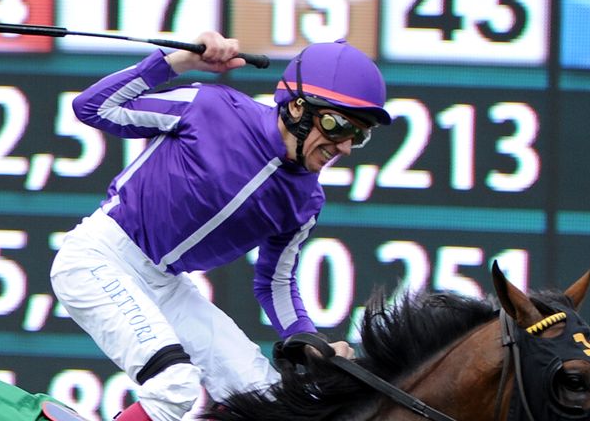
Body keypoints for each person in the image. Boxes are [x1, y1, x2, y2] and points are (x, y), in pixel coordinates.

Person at [50, 31, 391, 421]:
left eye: (357, 135)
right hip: (98, 257)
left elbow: (275, 283)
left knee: (264, 400)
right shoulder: (208, 107)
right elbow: (93, 107)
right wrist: (179, 62)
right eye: (336, 125)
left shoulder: (306, 201)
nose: (344, 147)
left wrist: (308, 339)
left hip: (166, 284)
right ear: (297, 108)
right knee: (173, 384)